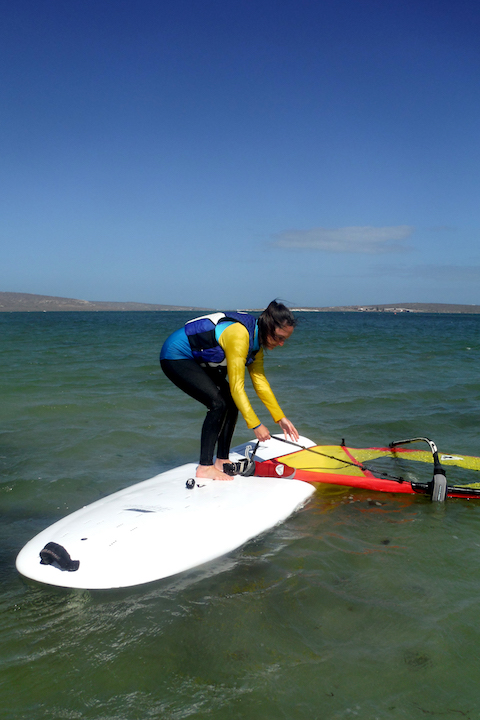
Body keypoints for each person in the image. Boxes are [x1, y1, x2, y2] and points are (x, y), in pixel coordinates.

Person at [160, 300, 299, 481]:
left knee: (231, 403)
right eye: (280, 337)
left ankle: (221, 460)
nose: (281, 343)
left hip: (195, 359)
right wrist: (256, 425)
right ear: (268, 327)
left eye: (284, 340)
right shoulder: (239, 336)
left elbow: (260, 383)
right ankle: (205, 467)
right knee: (218, 403)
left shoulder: (255, 347)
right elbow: (236, 387)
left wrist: (280, 417)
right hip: (175, 356)